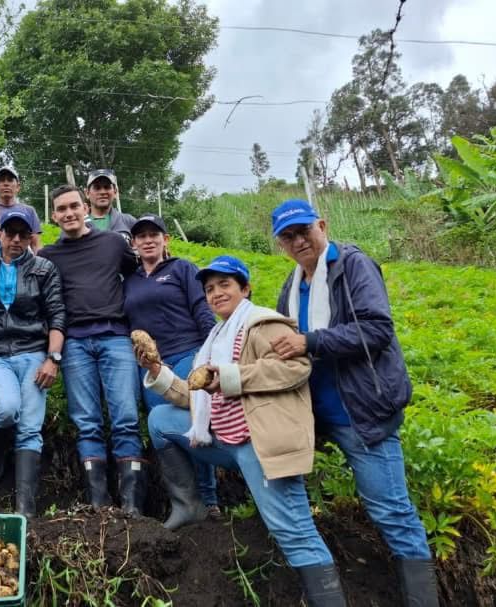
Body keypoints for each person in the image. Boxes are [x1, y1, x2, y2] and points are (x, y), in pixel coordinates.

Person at [137, 255, 347, 606]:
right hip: (225, 437)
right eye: (209, 289)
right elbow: (195, 396)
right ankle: (190, 507)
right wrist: (157, 371)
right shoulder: (215, 337)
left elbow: (296, 368)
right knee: (161, 419)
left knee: (292, 530)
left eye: (225, 285)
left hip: (258, 441)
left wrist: (231, 377)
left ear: (245, 288)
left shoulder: (264, 323)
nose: (216, 293)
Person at [269, 199, 438, 607]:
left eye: (304, 231)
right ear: (280, 245)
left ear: (322, 226)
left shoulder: (353, 266)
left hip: (360, 414)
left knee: (392, 512)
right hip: (315, 415)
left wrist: (310, 342)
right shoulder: (292, 286)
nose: (298, 241)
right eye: (288, 237)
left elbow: (376, 329)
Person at [37, 185, 145, 515]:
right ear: (53, 216)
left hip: (115, 337)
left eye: (74, 206)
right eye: (61, 209)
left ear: (86, 208)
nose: (69, 213)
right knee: (87, 422)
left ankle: (132, 506)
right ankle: (99, 505)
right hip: (74, 344)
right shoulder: (49, 257)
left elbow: (138, 276)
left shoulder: (113, 243)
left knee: (126, 417)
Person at [0, 207, 65, 517]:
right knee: (6, 408)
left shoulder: (44, 268)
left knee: (30, 426)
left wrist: (53, 358)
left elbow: (57, 314)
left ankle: (25, 508)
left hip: (34, 352)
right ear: (0, 234)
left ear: (31, 237)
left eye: (24, 234)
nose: (17, 240)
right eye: (11, 233)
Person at [122, 214, 221, 515]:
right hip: (152, 366)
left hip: (187, 354)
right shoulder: (130, 280)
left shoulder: (182, 268)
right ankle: (185, 503)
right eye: (141, 236)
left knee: (193, 423)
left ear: (166, 239)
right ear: (134, 244)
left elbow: (201, 309)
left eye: (154, 234)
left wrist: (211, 352)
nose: (148, 240)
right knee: (163, 430)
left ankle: (209, 500)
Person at [0, 167, 43, 251]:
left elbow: (36, 244)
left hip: (22, 257)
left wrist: (39, 259)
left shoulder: (29, 211)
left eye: (10, 180)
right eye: (1, 180)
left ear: (18, 186)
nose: (6, 184)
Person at [84, 169, 135, 239]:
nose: (102, 192)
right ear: (87, 193)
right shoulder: (79, 224)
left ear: (115, 192)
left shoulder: (128, 221)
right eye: (97, 188)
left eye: (107, 187)